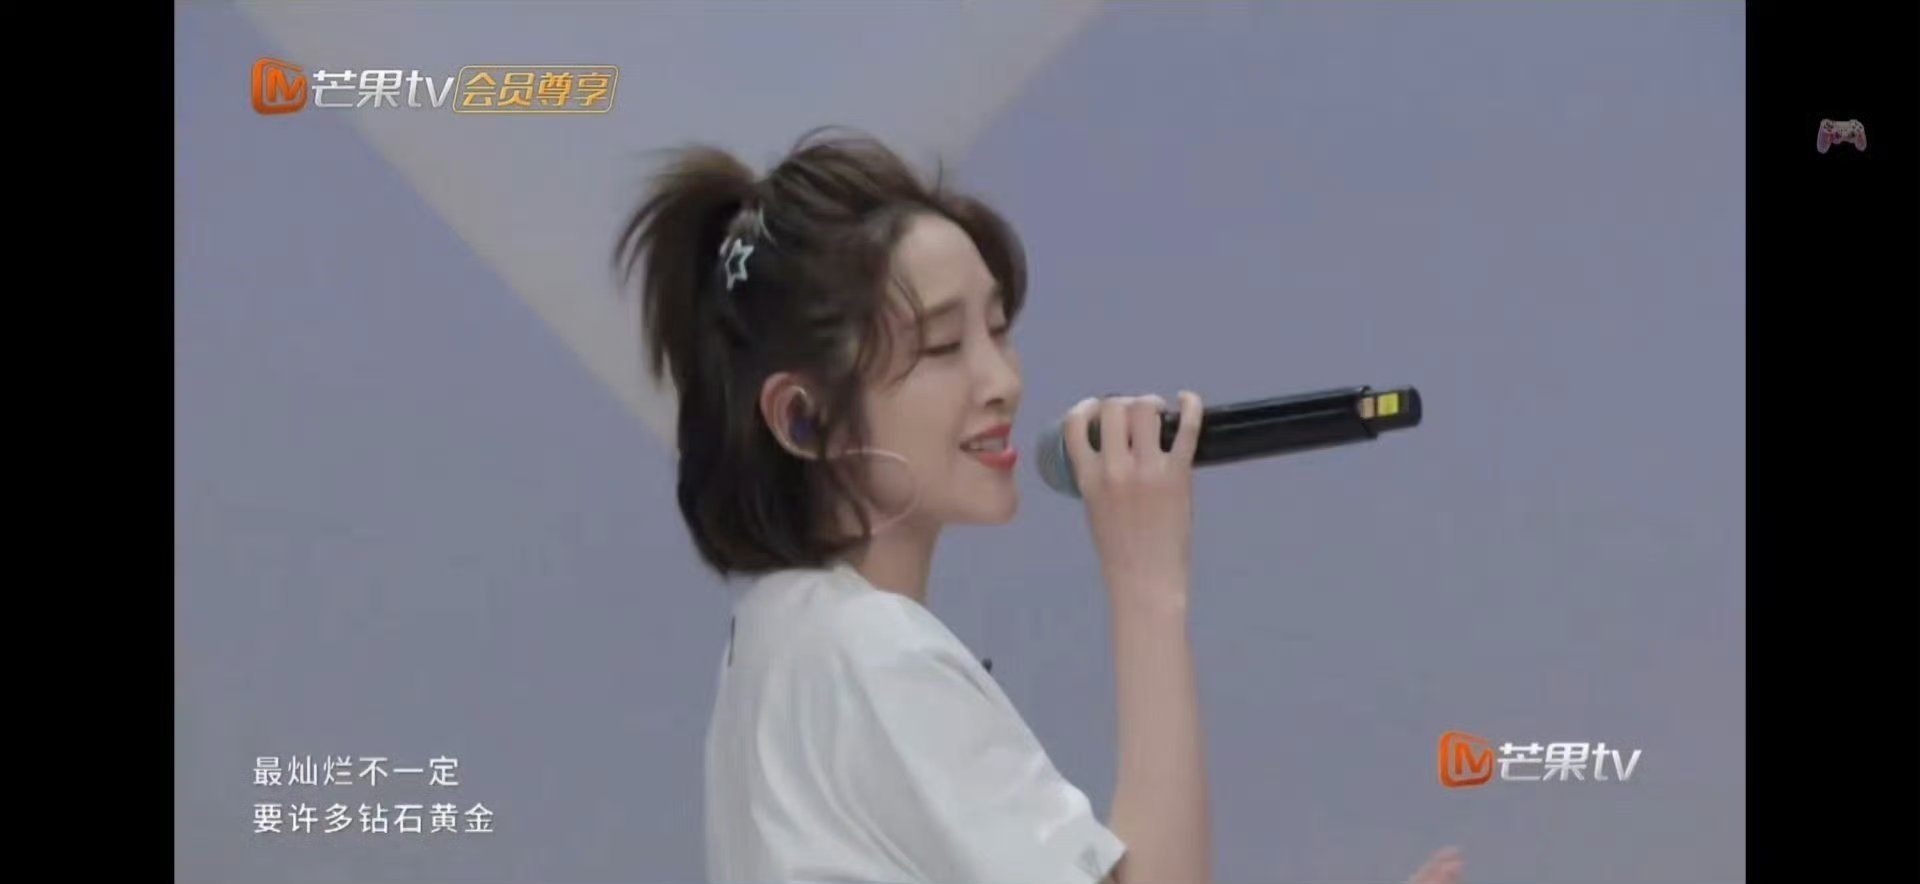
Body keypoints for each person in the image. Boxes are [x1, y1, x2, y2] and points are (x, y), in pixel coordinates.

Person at [614, 127, 1463, 884]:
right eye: (943, 346)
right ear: (804, 417)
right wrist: (1147, 582)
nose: (1003, 381)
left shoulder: (780, 634)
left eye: (999, 328)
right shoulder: (871, 657)